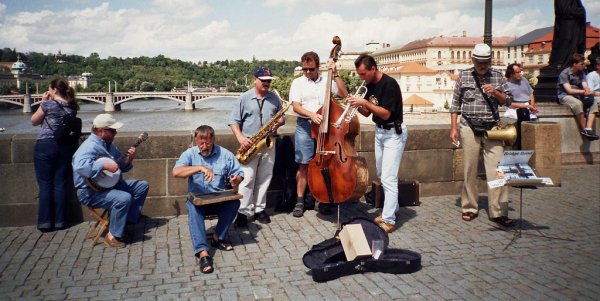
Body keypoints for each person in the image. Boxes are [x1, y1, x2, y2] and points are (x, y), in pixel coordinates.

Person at [449, 43, 514, 227]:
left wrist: (496, 92)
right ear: (473, 60)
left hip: (492, 127)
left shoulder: (498, 76)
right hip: (469, 126)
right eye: (479, 62)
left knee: (497, 171)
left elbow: (508, 101)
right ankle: (469, 207)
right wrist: (453, 128)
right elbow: (455, 106)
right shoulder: (463, 76)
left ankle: (498, 211)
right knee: (469, 170)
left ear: (490, 61)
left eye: (485, 62)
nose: (482, 66)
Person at [347, 54, 407, 233]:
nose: (361, 78)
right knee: (382, 173)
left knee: (389, 177)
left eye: (363, 74)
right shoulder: (369, 84)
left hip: (393, 133)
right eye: (359, 74)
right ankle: (392, 208)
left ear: (373, 68)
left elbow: (386, 113)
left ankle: (389, 219)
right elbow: (368, 113)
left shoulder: (389, 84)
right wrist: (357, 104)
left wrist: (364, 102)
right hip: (380, 132)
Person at [173, 125, 244, 274]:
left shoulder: (224, 154)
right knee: (193, 207)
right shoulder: (190, 154)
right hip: (198, 200)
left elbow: (239, 173)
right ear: (196, 140)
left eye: (208, 143)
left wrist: (236, 180)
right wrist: (199, 168)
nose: (205, 147)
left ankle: (218, 238)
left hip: (218, 198)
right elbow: (176, 172)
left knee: (234, 202)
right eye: (201, 143)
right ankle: (203, 253)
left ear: (213, 140)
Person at [72, 113, 149, 248]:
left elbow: (121, 167)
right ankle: (112, 236)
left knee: (142, 186)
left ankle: (125, 223)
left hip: (109, 187)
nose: (116, 132)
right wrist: (103, 165)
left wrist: (129, 159)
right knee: (123, 198)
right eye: (112, 130)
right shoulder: (89, 146)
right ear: (101, 131)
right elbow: (79, 166)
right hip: (89, 192)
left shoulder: (110, 145)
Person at [289, 51, 348, 218]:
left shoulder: (327, 80)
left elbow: (344, 94)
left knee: (325, 163)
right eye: (305, 69)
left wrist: (335, 74)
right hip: (305, 125)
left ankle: (322, 199)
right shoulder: (298, 82)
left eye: (311, 69)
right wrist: (312, 115)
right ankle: (300, 200)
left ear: (318, 67)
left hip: (326, 127)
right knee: (303, 163)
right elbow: (296, 106)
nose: (308, 72)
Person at [228, 67, 284, 226]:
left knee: (265, 178)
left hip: (268, 143)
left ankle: (259, 209)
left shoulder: (274, 98)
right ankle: (243, 212)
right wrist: (240, 137)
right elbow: (233, 121)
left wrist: (278, 123)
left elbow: (282, 118)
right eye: (264, 80)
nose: (267, 83)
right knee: (247, 179)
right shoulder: (244, 98)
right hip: (249, 144)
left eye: (269, 81)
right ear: (255, 79)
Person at [31, 78, 80, 232]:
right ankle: (60, 221)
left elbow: (33, 121)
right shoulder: (72, 107)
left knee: (45, 184)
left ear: (54, 90)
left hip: (45, 145)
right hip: (65, 146)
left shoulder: (47, 104)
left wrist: (43, 101)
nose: (49, 91)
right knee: (60, 184)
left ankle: (45, 223)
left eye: (49, 89)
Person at [557, 53, 599, 141]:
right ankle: (584, 129)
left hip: (578, 95)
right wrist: (584, 92)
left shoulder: (582, 73)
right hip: (564, 96)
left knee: (593, 101)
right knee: (578, 104)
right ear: (574, 64)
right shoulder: (564, 74)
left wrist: (587, 90)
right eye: (581, 64)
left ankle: (588, 129)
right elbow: (569, 90)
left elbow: (584, 85)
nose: (584, 65)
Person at [504, 63, 538, 149]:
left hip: (528, 106)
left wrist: (532, 105)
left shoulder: (523, 80)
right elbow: (509, 104)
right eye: (518, 72)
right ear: (511, 74)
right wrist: (526, 106)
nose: (520, 74)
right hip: (515, 108)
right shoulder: (506, 85)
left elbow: (531, 93)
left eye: (520, 71)